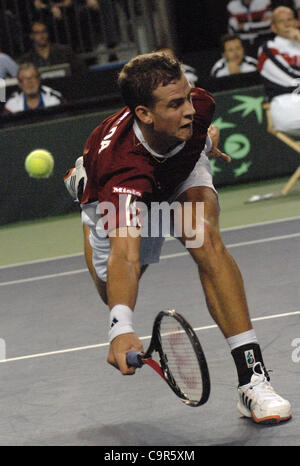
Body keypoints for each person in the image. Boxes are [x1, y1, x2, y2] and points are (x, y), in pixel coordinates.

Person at [64, 52, 291, 424]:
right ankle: (85, 196)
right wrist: (121, 329)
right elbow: (126, 257)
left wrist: (205, 139)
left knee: (206, 241)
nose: (189, 108)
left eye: (187, 96)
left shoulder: (198, 107)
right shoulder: (120, 165)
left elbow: (199, 121)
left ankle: (253, 381)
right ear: (144, 114)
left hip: (179, 170)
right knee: (114, 287)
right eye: (175, 104)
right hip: (122, 190)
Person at [257, 6, 300, 135]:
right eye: (281, 21)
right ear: (273, 27)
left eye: (290, 19)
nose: (287, 24)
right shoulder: (268, 48)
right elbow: (291, 79)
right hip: (287, 106)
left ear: (297, 22)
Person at [18, 20, 87, 75]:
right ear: (31, 36)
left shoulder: (64, 51)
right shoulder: (27, 59)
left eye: (44, 31)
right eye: (37, 33)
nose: (42, 35)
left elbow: (81, 70)